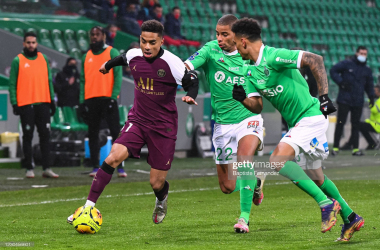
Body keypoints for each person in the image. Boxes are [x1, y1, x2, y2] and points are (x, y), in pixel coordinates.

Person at [231, 18, 364, 242]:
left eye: (235, 43)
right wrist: (243, 99)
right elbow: (258, 106)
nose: (234, 48)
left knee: (276, 161)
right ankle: (350, 217)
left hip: (310, 117)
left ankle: (325, 204)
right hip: (299, 124)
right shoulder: (249, 71)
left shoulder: (273, 56)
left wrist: (323, 97)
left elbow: (315, 60)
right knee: (316, 177)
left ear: (243, 42)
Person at [67, 20, 199, 225]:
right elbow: (122, 58)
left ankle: (162, 197)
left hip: (163, 127)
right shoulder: (135, 54)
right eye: (144, 41)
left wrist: (191, 95)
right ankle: (87, 207)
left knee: (156, 182)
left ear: (162, 41)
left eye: (152, 43)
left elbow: (192, 79)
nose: (147, 46)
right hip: (138, 120)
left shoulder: (172, 63)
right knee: (112, 158)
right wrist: (106, 66)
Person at [184, 14, 264, 233]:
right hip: (221, 124)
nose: (219, 38)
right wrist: (186, 81)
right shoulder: (210, 50)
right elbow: (187, 66)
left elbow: (261, 93)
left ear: (236, 35)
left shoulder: (249, 54)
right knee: (227, 186)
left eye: (224, 34)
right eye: (217, 33)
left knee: (244, 159)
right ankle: (254, 183)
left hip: (248, 118)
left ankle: (244, 218)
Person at [9, 32, 59, 178]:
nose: (31, 45)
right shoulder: (17, 60)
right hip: (26, 104)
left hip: (43, 103)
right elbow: (12, 84)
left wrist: (52, 100)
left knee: (45, 136)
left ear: (37, 44)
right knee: (28, 137)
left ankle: (46, 168)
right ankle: (29, 168)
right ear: (23, 44)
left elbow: (49, 80)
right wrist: (14, 103)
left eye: (33, 42)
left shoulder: (43, 59)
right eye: (28, 42)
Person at [79, 26, 127, 178]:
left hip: (108, 99)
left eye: (97, 35)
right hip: (91, 99)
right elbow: (82, 80)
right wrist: (82, 101)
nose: (94, 37)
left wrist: (113, 97)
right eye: (92, 35)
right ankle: (95, 166)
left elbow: (118, 76)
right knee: (92, 134)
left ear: (104, 37)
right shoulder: (85, 56)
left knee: (116, 134)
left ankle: (120, 168)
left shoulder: (112, 52)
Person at [330, 46, 375, 156]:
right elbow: (333, 71)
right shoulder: (347, 64)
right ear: (356, 53)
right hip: (344, 99)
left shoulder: (367, 70)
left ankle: (355, 149)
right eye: (361, 53)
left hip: (358, 101)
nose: (363, 55)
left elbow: (369, 85)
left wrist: (371, 97)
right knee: (340, 123)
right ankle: (335, 148)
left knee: (356, 125)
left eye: (365, 54)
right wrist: (341, 82)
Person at [359, 85, 380, 149]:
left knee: (359, 125)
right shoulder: (378, 100)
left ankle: (372, 143)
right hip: (375, 124)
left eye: (375, 91)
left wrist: (370, 99)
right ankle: (372, 143)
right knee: (359, 125)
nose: (373, 92)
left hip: (377, 125)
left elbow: (375, 110)